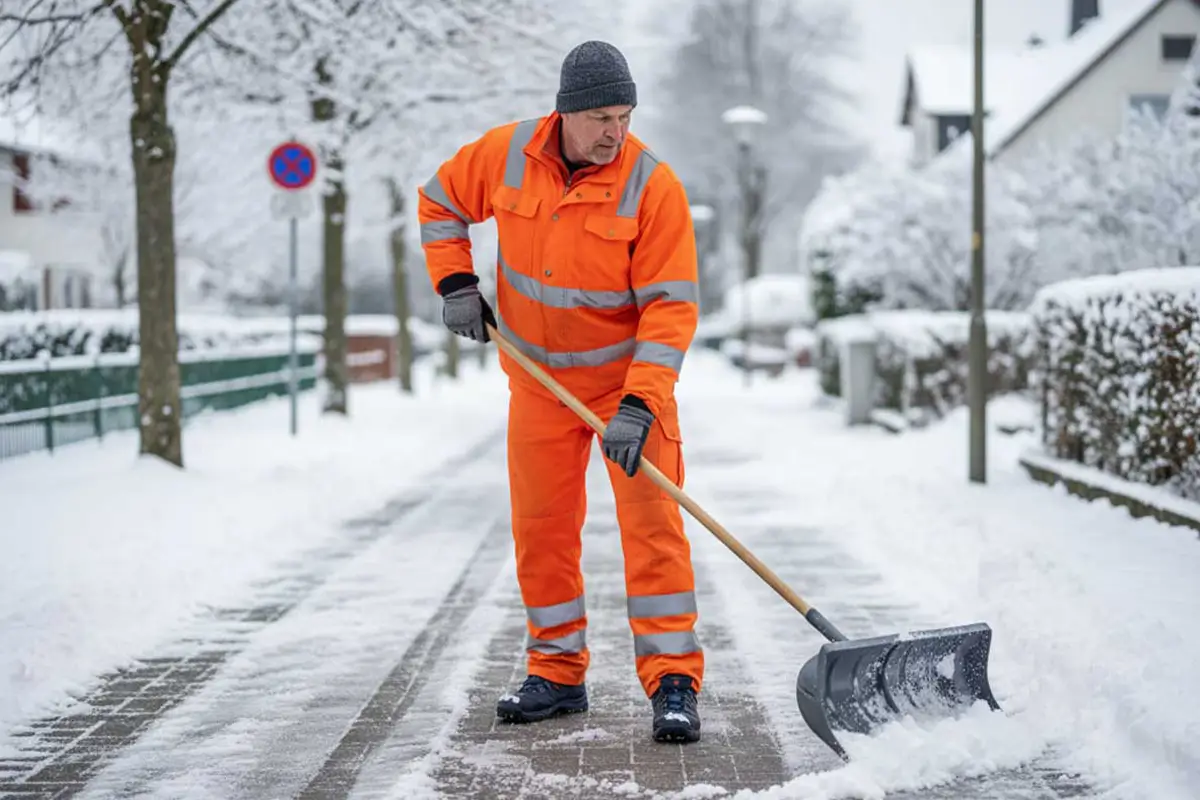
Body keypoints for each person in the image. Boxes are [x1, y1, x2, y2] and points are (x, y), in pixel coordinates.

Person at [417, 40, 703, 744]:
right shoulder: (506, 156)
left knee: (653, 530)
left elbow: (671, 305)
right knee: (542, 531)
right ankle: (557, 672)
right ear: (567, 113)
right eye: (603, 116)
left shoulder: (651, 185)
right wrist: (456, 284)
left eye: (625, 115)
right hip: (540, 385)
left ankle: (673, 679)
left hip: (624, 390)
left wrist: (640, 404)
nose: (616, 131)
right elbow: (439, 201)